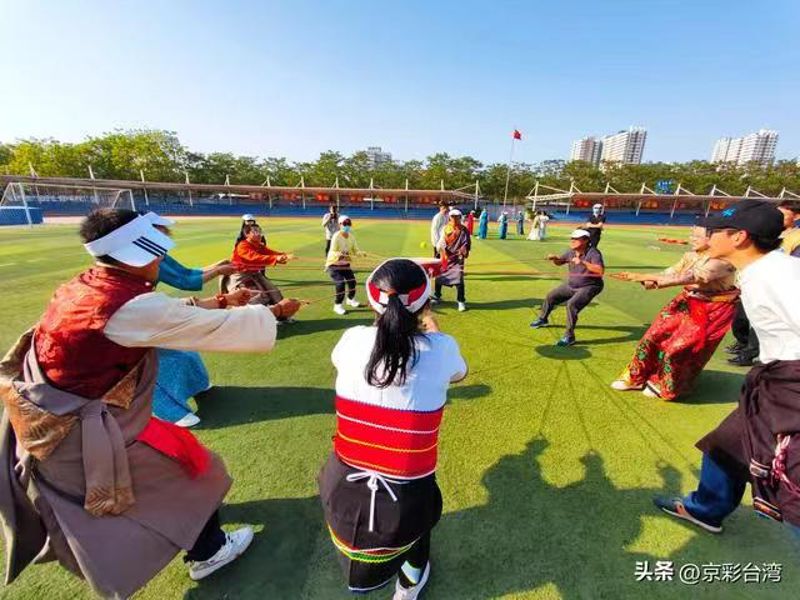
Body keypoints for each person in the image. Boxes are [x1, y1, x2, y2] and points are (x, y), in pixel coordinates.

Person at [0, 208, 302, 598]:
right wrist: (274, 312)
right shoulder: (126, 306)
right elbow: (176, 321)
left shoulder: (90, 284)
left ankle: (200, 535)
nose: (161, 259)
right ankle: (209, 551)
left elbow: (163, 314)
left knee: (184, 461)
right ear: (139, 253)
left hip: (67, 419)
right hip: (81, 432)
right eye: (157, 252)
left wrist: (222, 300)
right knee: (195, 475)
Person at [318, 258, 467, 598]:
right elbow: (459, 373)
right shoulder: (442, 348)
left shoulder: (351, 339)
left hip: (341, 487)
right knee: (420, 521)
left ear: (374, 301)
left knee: (414, 510)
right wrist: (433, 328)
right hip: (407, 494)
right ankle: (409, 584)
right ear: (424, 305)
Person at [653, 199, 800, 541]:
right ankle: (706, 508)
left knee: (791, 479)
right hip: (774, 380)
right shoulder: (763, 269)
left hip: (792, 386)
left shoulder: (776, 276)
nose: (707, 236)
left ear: (739, 237)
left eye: (715, 230)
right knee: (727, 443)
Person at [610, 225, 738, 400]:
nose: (692, 239)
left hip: (712, 310)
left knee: (680, 348)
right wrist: (646, 278)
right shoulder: (690, 256)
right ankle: (636, 376)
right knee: (653, 336)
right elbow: (670, 272)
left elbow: (694, 276)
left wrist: (649, 278)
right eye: (692, 235)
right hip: (686, 302)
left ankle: (666, 383)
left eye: (697, 236)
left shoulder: (724, 261)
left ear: (712, 238)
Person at [143, 212, 239, 428]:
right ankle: (169, 411)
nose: (166, 238)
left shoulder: (158, 255)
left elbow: (186, 272)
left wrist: (217, 266)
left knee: (185, 347)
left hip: (150, 311)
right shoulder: (147, 260)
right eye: (160, 233)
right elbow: (185, 281)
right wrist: (218, 272)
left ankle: (198, 384)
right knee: (153, 361)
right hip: (138, 322)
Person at [726, 200, 800, 367]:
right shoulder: (769, 233)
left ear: (796, 217)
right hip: (750, 282)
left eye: (783, 214)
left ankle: (750, 354)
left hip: (775, 285)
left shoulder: (797, 238)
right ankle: (744, 344)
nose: (778, 217)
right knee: (742, 319)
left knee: (765, 322)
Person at [530, 229, 604, 346]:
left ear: (585, 240)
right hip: (572, 285)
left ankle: (569, 337)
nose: (572, 241)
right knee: (551, 296)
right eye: (572, 238)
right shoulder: (571, 251)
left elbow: (600, 271)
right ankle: (543, 319)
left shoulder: (593, 253)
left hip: (589, 286)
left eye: (576, 239)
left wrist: (583, 263)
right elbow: (560, 262)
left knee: (571, 305)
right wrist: (555, 258)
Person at [229, 223, 296, 311]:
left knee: (274, 292)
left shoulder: (259, 245)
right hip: (241, 276)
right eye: (255, 232)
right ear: (247, 234)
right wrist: (276, 258)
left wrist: (284, 255)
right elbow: (253, 257)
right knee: (251, 299)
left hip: (255, 274)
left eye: (260, 231)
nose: (259, 234)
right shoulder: (242, 246)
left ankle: (280, 313)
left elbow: (270, 253)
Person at [432, 208, 471, 312]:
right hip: (445, 257)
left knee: (458, 279)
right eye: (452, 217)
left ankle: (461, 301)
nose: (454, 219)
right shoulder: (445, 228)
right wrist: (441, 248)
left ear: (460, 217)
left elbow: (466, 243)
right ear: (449, 217)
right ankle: (437, 296)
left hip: (457, 259)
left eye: (457, 217)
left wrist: (464, 249)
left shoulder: (464, 230)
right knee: (440, 277)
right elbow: (441, 241)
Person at [326, 215, 366, 315]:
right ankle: (337, 305)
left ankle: (350, 299)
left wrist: (361, 253)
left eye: (349, 224)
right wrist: (340, 254)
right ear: (340, 224)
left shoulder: (351, 237)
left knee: (352, 282)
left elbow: (355, 250)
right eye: (345, 224)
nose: (347, 226)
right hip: (334, 264)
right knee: (340, 284)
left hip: (345, 264)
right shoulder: (336, 236)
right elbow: (332, 251)